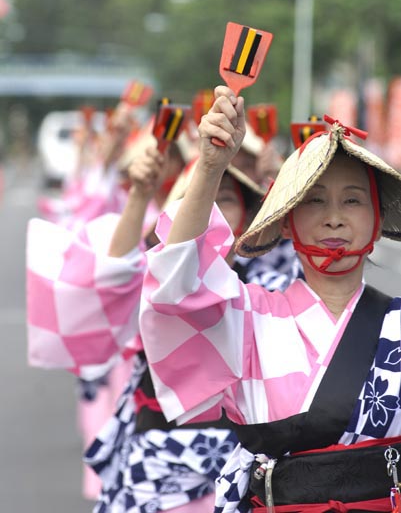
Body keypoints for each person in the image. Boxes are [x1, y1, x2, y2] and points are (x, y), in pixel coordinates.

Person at [139, 85, 401, 513]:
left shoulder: (397, 324)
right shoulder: (247, 315)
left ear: (377, 220)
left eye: (353, 200)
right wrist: (209, 167)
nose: (334, 216)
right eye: (314, 201)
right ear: (287, 222)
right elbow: (175, 285)